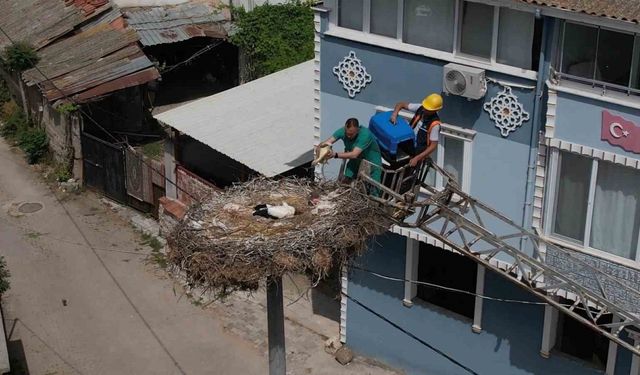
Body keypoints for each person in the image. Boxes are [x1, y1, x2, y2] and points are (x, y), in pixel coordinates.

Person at [318, 118, 382, 184]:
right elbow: (328, 142)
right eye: (347, 133)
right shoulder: (342, 131)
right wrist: (320, 147)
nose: (348, 136)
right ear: (345, 127)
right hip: (356, 160)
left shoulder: (365, 135)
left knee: (373, 186)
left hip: (371, 161)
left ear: (357, 130)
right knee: (346, 181)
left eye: (351, 134)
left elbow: (354, 154)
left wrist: (335, 154)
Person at [390, 93, 443, 167]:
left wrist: (417, 158)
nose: (425, 110)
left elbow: (433, 146)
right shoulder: (420, 108)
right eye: (425, 107)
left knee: (406, 174)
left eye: (428, 109)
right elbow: (401, 104)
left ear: (435, 110)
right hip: (405, 144)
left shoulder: (435, 125)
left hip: (416, 153)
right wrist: (394, 114)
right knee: (393, 163)